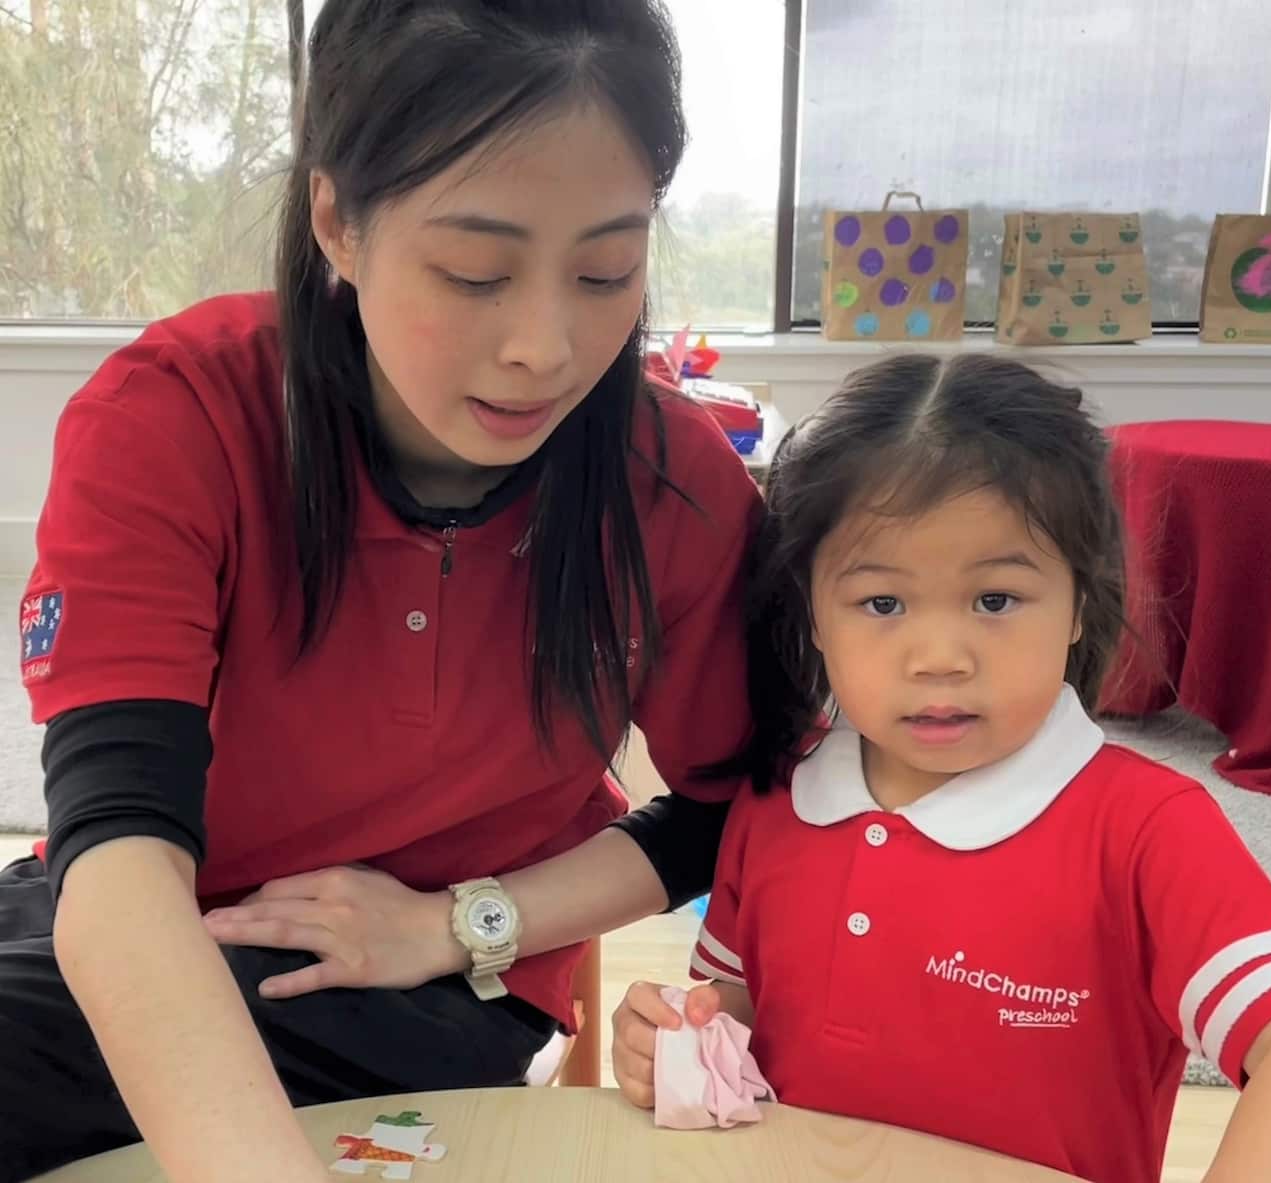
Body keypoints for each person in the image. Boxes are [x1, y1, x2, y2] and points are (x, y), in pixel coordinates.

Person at [0, 3, 760, 1180]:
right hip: (141, 910)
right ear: (335, 223)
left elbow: (730, 805)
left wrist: (459, 922)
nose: (544, 346)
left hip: (427, 987)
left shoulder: (671, 481)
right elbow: (114, 843)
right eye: (473, 272)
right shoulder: (180, 414)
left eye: (607, 268)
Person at [611, 353, 1271, 1183]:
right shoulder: (776, 802)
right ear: (811, 614)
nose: (938, 659)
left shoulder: (1148, 830)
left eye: (995, 600)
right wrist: (674, 1042)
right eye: (882, 603)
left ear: (1080, 604)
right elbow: (736, 1021)